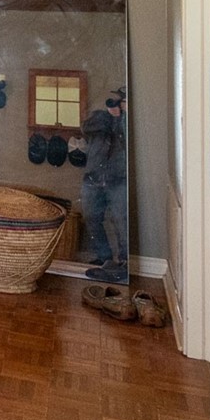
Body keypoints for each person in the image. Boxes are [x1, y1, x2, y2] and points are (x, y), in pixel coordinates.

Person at [80, 89, 129, 283]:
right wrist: (110, 115)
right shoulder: (100, 117)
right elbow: (85, 127)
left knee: (121, 221)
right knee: (91, 217)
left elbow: (127, 137)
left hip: (118, 179)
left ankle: (125, 261)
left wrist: (122, 117)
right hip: (93, 178)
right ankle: (104, 256)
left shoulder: (128, 121)